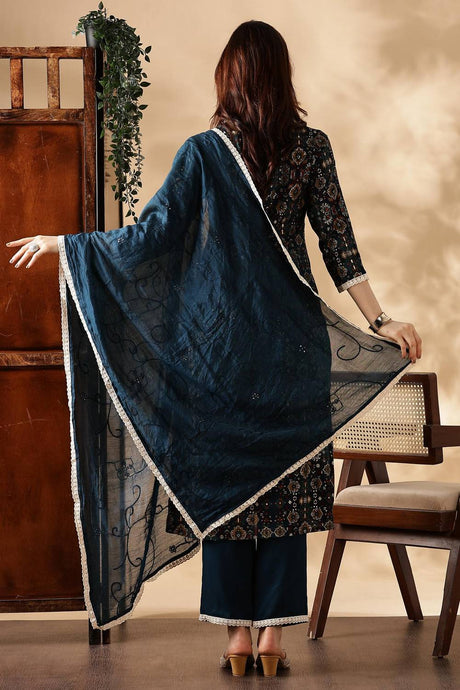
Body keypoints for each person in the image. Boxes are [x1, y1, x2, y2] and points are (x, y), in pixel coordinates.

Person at [6, 20, 422, 678]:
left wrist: (69, 246)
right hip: (292, 350)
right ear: (282, 77)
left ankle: (236, 640)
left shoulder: (204, 152)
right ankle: (272, 640)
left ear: (229, 78)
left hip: (220, 353)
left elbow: (150, 236)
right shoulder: (310, 148)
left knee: (228, 488)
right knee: (283, 487)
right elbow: (339, 245)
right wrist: (381, 320)